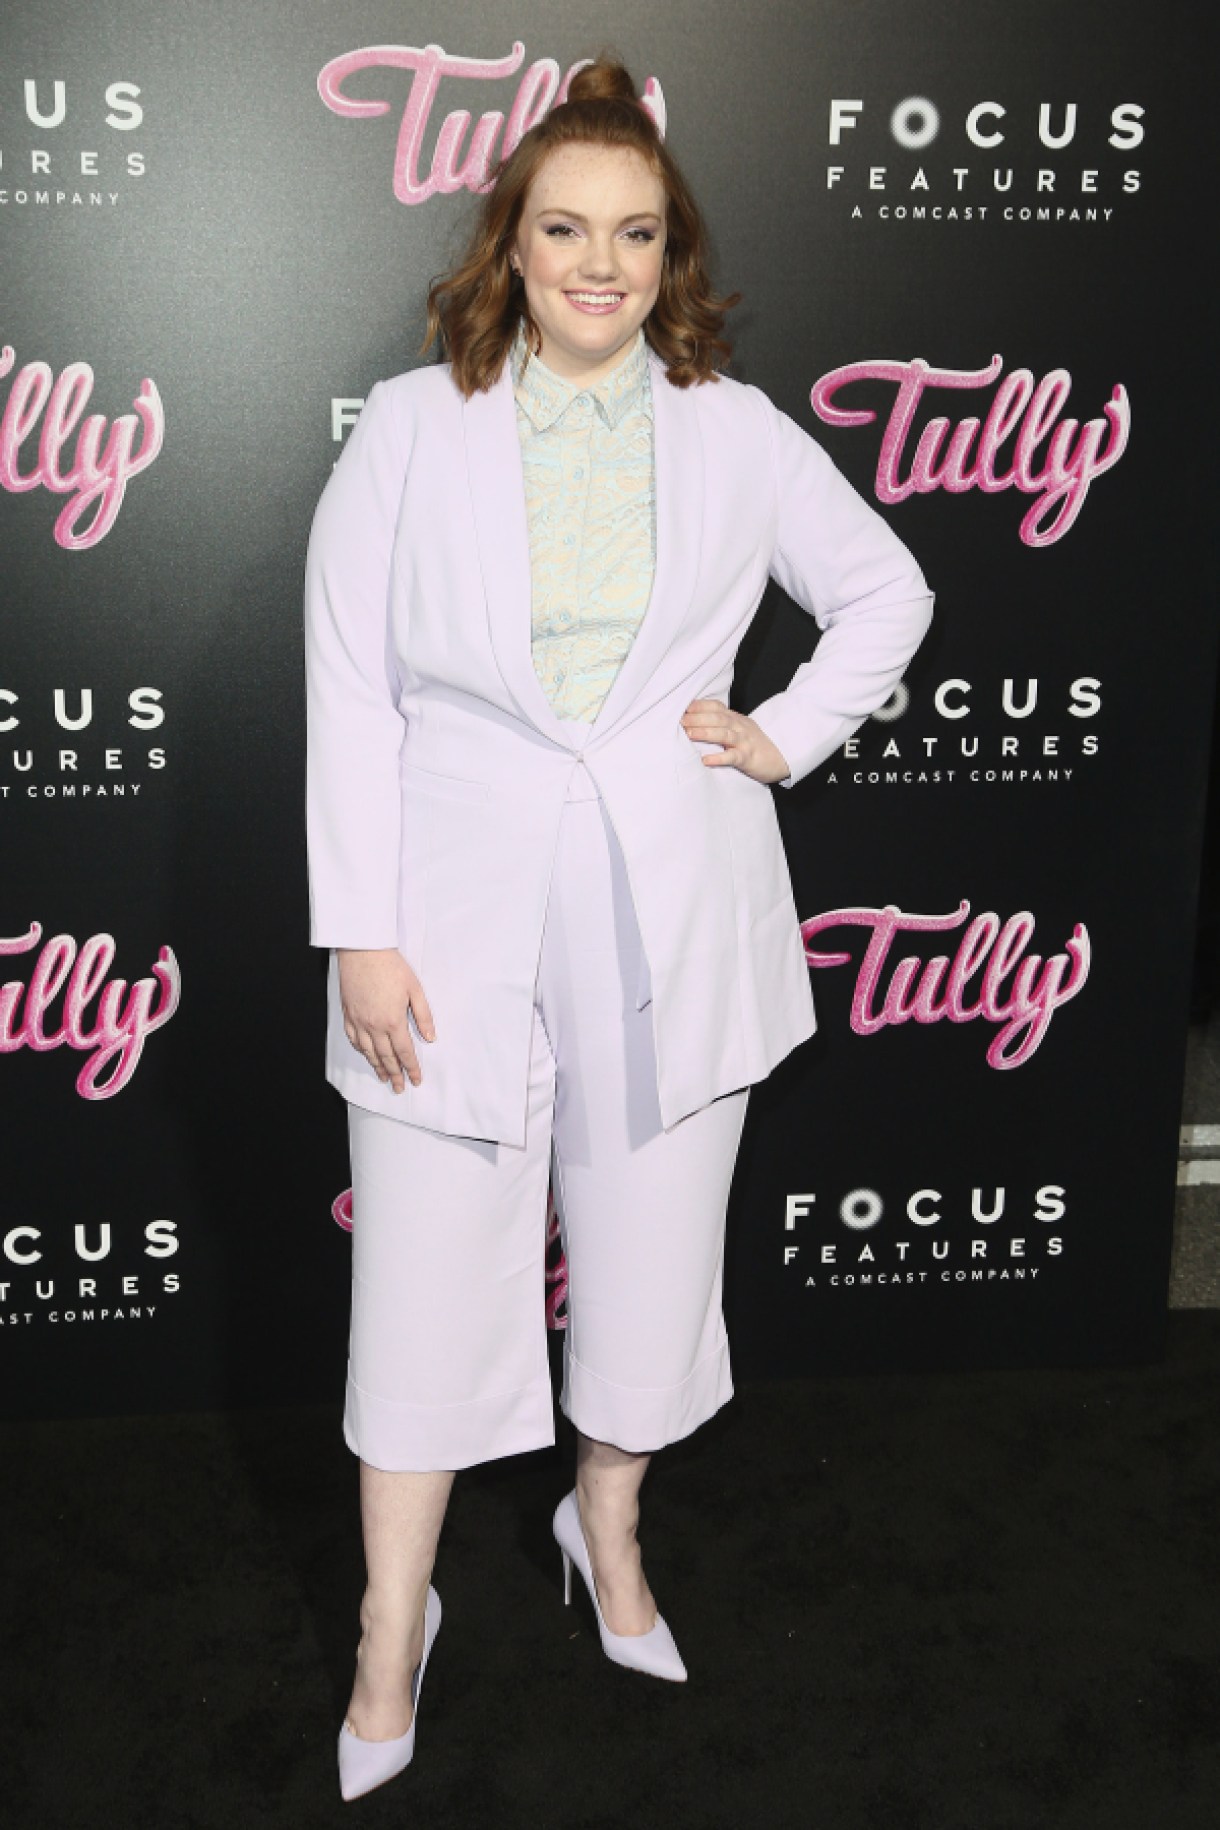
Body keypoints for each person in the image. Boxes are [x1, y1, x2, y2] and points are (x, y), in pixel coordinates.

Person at [304, 51, 933, 1803]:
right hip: (447, 901)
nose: (600, 263)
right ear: (511, 241)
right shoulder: (410, 425)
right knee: (424, 1271)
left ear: (673, 253)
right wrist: (357, 925)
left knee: (654, 1251)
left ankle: (608, 1530)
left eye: (635, 233)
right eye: (566, 228)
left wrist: (785, 731)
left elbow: (888, 587)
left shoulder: (732, 427)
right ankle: (391, 1627)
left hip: (678, 890)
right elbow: (348, 687)